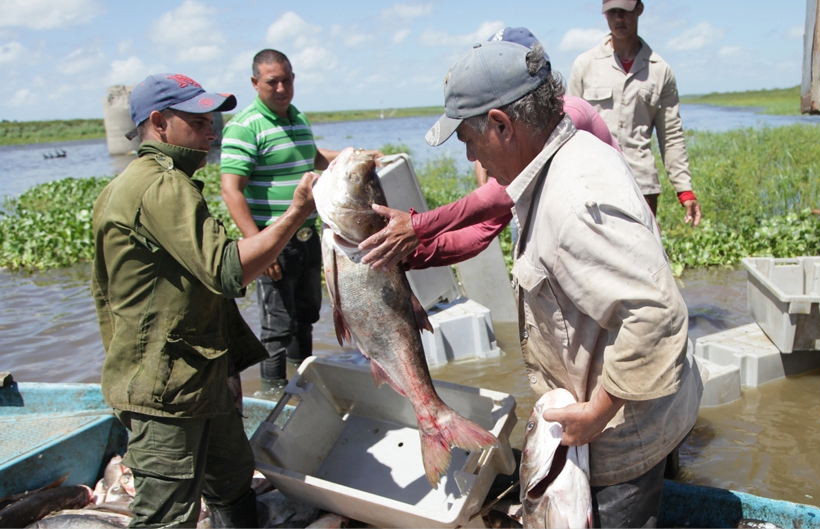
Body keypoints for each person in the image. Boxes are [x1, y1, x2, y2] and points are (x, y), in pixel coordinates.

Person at [421, 40, 703, 527]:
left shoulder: (574, 201)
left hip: (622, 428)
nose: (468, 152)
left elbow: (654, 314)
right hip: (630, 412)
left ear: (502, 125)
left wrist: (597, 411)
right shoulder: (566, 154)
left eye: (467, 137)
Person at [92, 73, 318, 527]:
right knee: (165, 517)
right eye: (197, 121)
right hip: (165, 390)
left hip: (199, 375)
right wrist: (296, 213)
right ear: (158, 123)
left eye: (211, 120)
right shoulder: (158, 185)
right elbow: (228, 269)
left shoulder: (156, 181)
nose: (212, 131)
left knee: (233, 489)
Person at [359, 27, 624, 272]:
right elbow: (479, 233)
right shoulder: (520, 155)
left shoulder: (567, 117)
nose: (471, 156)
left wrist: (420, 225)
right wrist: (407, 252)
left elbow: (498, 196)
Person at [220, 49, 381, 396]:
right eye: (272, 82)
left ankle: (300, 389)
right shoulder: (245, 126)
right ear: (255, 83)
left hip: (309, 238)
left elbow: (313, 157)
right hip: (273, 239)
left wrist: (358, 157)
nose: (281, 88)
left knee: (306, 317)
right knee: (277, 329)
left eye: (287, 79)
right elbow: (231, 190)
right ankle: (274, 396)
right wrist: (257, 245)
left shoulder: (296, 117)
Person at [569, 0, 703, 226]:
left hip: (641, 184)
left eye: (625, 12)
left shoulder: (660, 70)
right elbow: (567, 129)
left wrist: (684, 189)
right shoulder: (585, 65)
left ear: (639, 9)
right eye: (612, 12)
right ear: (604, 15)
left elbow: (670, 135)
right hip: (592, 181)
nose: (618, 18)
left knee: (642, 256)